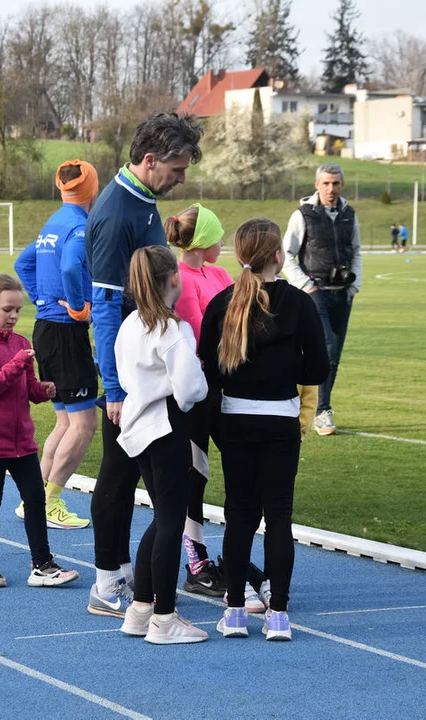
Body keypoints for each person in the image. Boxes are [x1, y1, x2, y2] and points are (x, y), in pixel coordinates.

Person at [85, 111, 204, 618]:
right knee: (118, 475)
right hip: (135, 376)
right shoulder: (116, 213)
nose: (182, 178)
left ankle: (143, 578)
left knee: (140, 477)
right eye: (176, 168)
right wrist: (113, 388)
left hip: (149, 367)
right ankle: (109, 580)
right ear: (150, 159)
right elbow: (106, 305)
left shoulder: (142, 201)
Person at [198, 218, 329, 641]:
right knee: (278, 518)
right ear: (278, 255)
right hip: (280, 422)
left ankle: (235, 610)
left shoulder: (222, 303)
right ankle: (279, 616)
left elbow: (208, 368)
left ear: (239, 256)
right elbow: (318, 367)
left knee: (238, 517)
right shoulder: (297, 303)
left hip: (234, 422)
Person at [0, 272, 81, 588]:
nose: (13, 316)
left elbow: (28, 389)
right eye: (7, 309)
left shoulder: (21, 343)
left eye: (18, 310)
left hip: (23, 440)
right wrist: (16, 365)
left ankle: (42, 564)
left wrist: (43, 390)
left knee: (36, 499)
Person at [115, 246, 209, 644]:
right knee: (172, 521)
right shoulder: (173, 328)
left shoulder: (131, 324)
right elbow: (190, 388)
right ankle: (165, 617)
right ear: (174, 278)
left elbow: (123, 376)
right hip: (167, 427)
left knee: (162, 517)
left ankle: (140, 610)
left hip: (140, 430)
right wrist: (198, 380)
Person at [13, 160, 99, 530]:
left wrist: (40, 298)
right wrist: (80, 308)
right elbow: (69, 268)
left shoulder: (53, 223)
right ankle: (50, 502)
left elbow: (23, 262)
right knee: (84, 424)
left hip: (45, 327)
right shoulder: (79, 227)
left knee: (64, 421)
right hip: (66, 333)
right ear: (92, 189)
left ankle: (31, 501)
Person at [165, 203, 230, 596]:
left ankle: (227, 558)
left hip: (225, 385)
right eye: (219, 236)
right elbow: (201, 331)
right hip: (198, 391)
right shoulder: (182, 280)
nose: (224, 242)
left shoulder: (219, 272)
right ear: (203, 240)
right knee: (196, 473)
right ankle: (196, 562)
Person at [282, 162, 362, 436]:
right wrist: (306, 285)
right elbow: (286, 254)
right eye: (326, 183)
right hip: (315, 293)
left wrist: (355, 287)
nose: (331, 188)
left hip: (342, 295)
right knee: (326, 348)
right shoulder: (303, 215)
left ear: (342, 184)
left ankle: (319, 408)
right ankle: (320, 410)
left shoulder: (349, 214)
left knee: (334, 355)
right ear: (317, 185)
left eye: (336, 183)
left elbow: (357, 251)